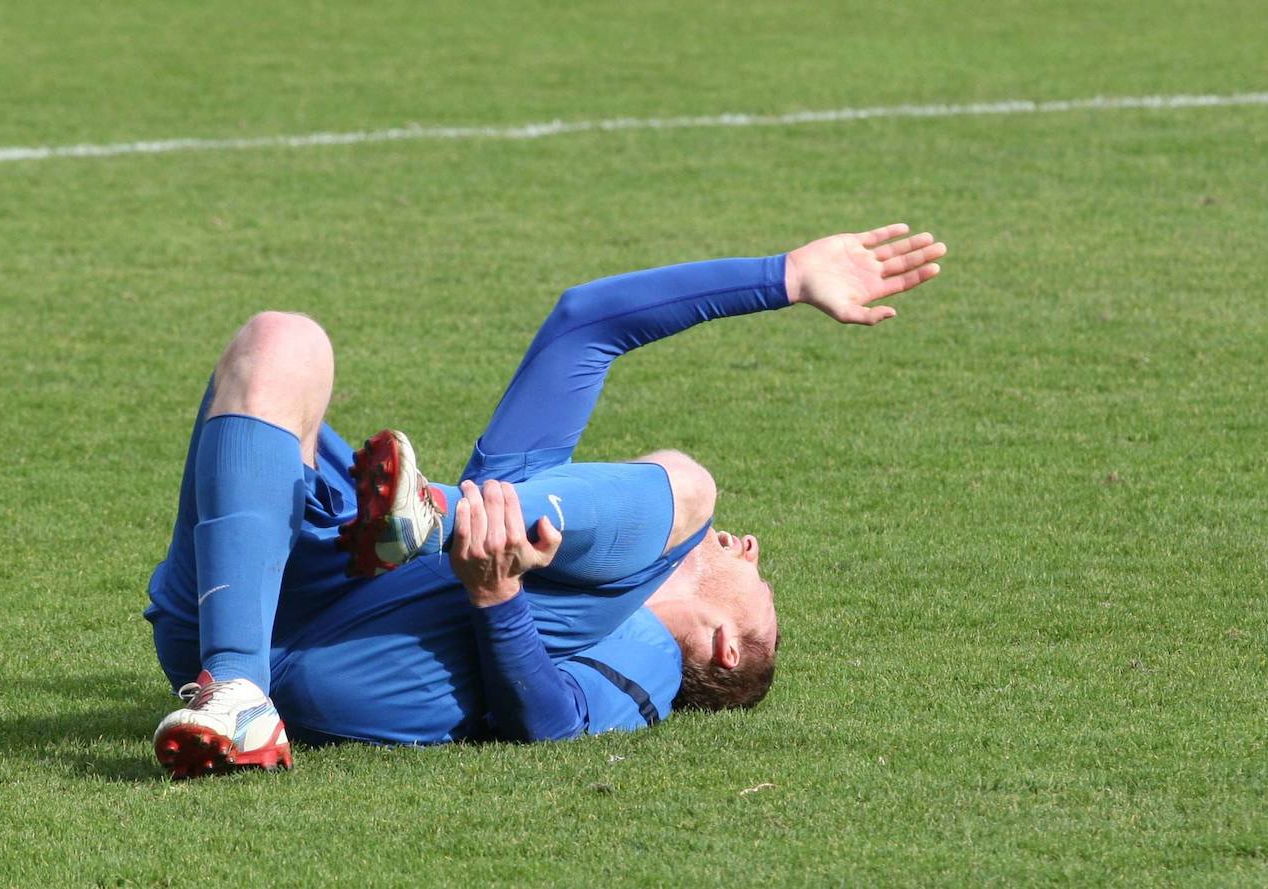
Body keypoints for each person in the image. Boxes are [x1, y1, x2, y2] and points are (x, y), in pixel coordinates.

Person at [144, 223, 946, 777]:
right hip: (228, 619)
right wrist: (787, 275)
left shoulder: (651, 660)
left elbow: (553, 721)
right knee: (281, 339)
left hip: (349, 674)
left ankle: (432, 521)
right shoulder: (535, 506)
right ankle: (236, 693)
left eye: (762, 588)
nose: (753, 548)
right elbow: (583, 323)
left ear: (726, 648)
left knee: (691, 482)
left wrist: (497, 594)